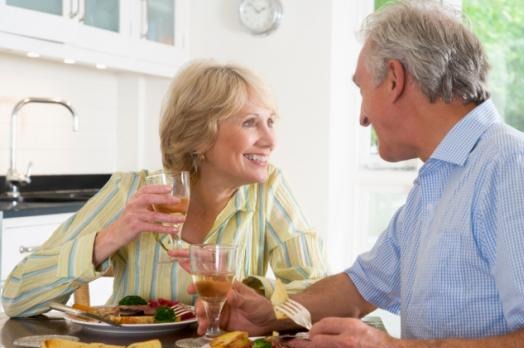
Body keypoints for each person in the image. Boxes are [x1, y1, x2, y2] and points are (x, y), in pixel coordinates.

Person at [194, 1, 524, 348]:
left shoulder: (516, 169)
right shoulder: (439, 179)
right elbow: (359, 287)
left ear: (393, 79)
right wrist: (273, 314)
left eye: (361, 90)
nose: (362, 117)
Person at [2, 60, 327, 317]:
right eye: (250, 122)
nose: (271, 141)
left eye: (271, 121)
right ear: (201, 135)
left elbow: (318, 289)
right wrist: (111, 237)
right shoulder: (132, 191)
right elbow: (16, 296)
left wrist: (249, 291)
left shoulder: (268, 189)